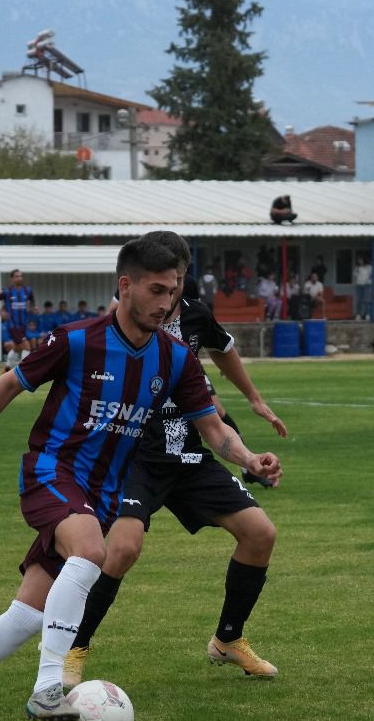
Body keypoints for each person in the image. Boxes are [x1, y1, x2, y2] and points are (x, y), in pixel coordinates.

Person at [0, 234, 282, 721]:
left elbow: (212, 429)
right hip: (52, 472)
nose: (166, 303)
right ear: (126, 286)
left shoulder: (176, 358)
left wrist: (250, 458)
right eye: (156, 290)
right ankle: (48, 689)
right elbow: (9, 385)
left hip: (99, 493)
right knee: (91, 551)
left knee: (26, 615)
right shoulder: (76, 339)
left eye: (174, 291)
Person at [65, 236, 289, 687]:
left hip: (187, 447)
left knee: (260, 533)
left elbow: (222, 353)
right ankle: (73, 648)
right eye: (162, 284)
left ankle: (228, 640)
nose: (168, 295)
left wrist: (252, 411)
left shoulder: (195, 315)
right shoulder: (127, 316)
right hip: (136, 453)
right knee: (123, 549)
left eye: (179, 281)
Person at [0, 268, 35, 371]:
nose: (19, 278)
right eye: (17, 276)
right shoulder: (7, 291)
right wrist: (1, 312)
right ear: (12, 278)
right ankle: (25, 371)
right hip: (13, 325)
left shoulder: (27, 290)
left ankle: (6, 369)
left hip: (23, 325)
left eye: (21, 276)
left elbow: (32, 301)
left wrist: (32, 309)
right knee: (26, 347)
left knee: (17, 348)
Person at [352, 256, 373, 320]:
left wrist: (367, 281)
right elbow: (354, 275)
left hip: (367, 285)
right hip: (359, 285)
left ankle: (367, 314)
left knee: (366, 300)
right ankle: (358, 314)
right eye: (359, 260)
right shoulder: (357, 267)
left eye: (361, 260)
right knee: (359, 300)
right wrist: (357, 271)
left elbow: (370, 275)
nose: (359, 261)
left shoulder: (369, 267)